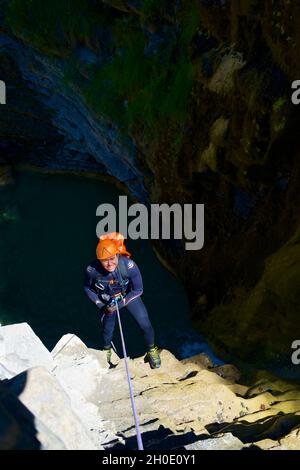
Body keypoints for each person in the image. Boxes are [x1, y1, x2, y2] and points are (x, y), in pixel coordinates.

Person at [84, 235, 161, 368]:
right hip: (107, 302)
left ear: (117, 255)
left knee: (145, 325)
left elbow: (138, 290)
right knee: (107, 330)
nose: (109, 264)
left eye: (112, 258)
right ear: (99, 260)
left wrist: (119, 305)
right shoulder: (92, 271)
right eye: (104, 261)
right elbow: (87, 288)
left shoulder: (129, 266)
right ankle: (107, 349)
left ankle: (151, 349)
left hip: (127, 296)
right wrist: (101, 305)